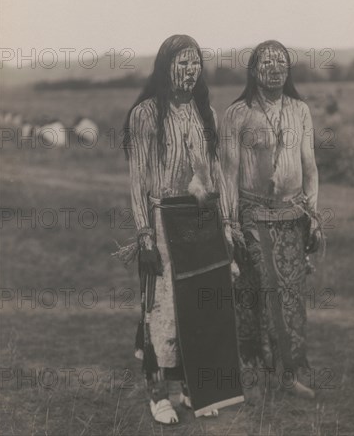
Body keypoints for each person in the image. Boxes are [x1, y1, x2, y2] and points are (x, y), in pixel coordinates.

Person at [120, 35, 242, 424]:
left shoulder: (206, 112)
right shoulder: (145, 114)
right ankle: (158, 394)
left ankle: (194, 388)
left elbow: (218, 172)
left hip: (202, 221)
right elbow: (138, 181)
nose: (189, 71)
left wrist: (225, 222)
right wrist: (144, 236)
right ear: (165, 66)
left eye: (195, 64)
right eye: (181, 63)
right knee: (161, 310)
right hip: (162, 221)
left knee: (201, 306)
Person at [220, 40, 323, 400]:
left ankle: (287, 375)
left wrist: (313, 215)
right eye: (267, 62)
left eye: (281, 62)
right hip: (252, 215)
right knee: (259, 293)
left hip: (293, 215)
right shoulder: (237, 114)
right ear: (253, 70)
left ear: (288, 70)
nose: (275, 68)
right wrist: (229, 226)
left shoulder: (300, 110)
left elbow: (310, 168)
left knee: (291, 298)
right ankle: (255, 375)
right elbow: (228, 175)